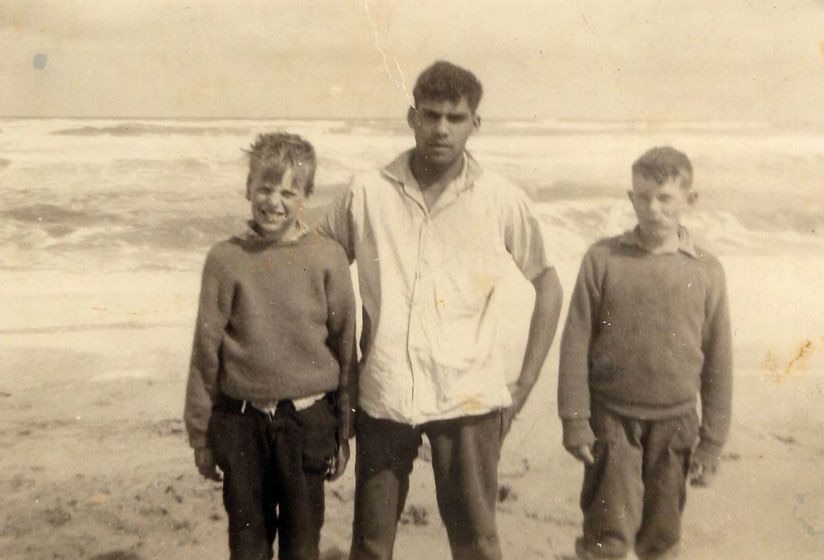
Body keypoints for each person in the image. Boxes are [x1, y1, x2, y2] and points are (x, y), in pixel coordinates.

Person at [318, 60, 563, 560]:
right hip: (384, 393)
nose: (441, 129)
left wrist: (525, 382)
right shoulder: (367, 192)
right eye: (430, 115)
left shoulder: (499, 198)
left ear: (476, 123)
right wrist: (330, 374)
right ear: (412, 117)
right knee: (370, 545)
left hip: (468, 397)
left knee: (476, 543)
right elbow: (314, 268)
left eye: (455, 117)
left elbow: (549, 284)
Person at [183, 132, 356, 560]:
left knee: (302, 544)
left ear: (306, 197)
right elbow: (206, 351)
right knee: (247, 545)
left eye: (288, 191)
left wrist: (344, 430)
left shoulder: (327, 257)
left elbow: (346, 346)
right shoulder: (224, 260)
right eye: (264, 188)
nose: (273, 201)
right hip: (241, 425)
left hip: (308, 421)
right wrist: (200, 435)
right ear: (247, 188)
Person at [557, 146, 733, 560]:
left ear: (689, 201)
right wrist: (574, 421)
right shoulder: (603, 259)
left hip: (675, 423)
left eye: (665, 198)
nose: (653, 208)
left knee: (662, 537)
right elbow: (575, 342)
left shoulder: (706, 270)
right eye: (643, 196)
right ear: (630, 197)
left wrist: (712, 442)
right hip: (611, 420)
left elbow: (720, 360)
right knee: (607, 535)